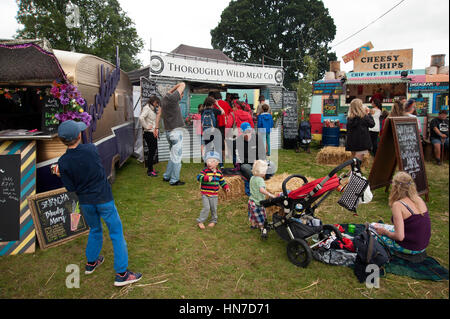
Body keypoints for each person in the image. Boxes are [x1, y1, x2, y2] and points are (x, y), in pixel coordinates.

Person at [55, 120, 142, 287]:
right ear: (79, 135)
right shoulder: (90, 149)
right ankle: (122, 274)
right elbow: (94, 167)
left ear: (61, 140)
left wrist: (61, 172)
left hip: (85, 202)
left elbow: (70, 187)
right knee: (116, 233)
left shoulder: (63, 161)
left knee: (95, 230)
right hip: (103, 199)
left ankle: (91, 262)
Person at [372, 171, 431, 255]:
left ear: (395, 187)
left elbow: (399, 237)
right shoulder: (418, 199)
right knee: (379, 226)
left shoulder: (398, 205)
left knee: (372, 233)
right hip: (422, 246)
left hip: (410, 247)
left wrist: (385, 232)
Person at [159, 82, 186, 186]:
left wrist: (170, 91)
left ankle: (167, 176)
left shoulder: (163, 100)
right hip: (176, 132)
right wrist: (174, 90)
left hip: (168, 132)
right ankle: (174, 180)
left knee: (172, 156)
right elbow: (182, 84)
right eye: (181, 94)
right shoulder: (172, 99)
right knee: (177, 158)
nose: (181, 95)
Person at [196, 151, 230, 229]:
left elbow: (222, 181)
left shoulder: (219, 172)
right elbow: (198, 177)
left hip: (214, 194)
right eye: (208, 161)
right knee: (206, 207)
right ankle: (200, 221)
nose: (209, 163)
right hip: (205, 193)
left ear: (217, 162)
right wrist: (206, 178)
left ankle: (214, 220)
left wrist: (226, 187)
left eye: (212, 161)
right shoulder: (205, 171)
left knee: (214, 208)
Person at [248, 160, 276, 237]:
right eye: (265, 171)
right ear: (262, 172)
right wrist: (269, 194)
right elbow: (261, 190)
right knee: (261, 216)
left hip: (251, 201)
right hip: (258, 203)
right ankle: (262, 228)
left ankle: (253, 225)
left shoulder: (252, 177)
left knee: (252, 215)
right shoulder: (260, 180)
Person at [139, 95, 161, 177]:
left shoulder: (151, 108)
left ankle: (151, 169)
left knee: (153, 151)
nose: (157, 104)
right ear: (153, 102)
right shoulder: (147, 108)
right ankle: (149, 171)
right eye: (157, 103)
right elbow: (141, 118)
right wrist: (146, 126)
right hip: (149, 133)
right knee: (151, 151)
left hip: (152, 133)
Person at [213, 91, 232, 168]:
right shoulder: (226, 103)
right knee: (223, 140)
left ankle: (218, 158)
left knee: (217, 141)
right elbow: (230, 111)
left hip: (217, 124)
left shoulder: (215, 104)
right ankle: (223, 157)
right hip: (224, 124)